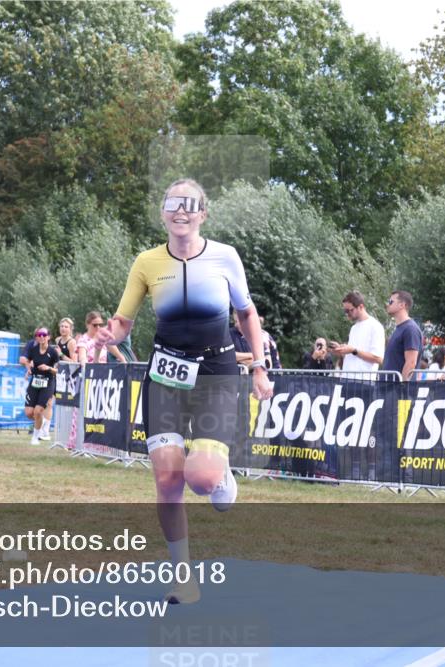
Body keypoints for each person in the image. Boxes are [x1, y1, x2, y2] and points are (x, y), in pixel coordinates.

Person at [96, 178, 274, 605]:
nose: (180, 210)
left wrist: (259, 366)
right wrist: (110, 335)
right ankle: (184, 578)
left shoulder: (225, 256)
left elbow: (247, 314)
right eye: (172, 203)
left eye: (189, 205)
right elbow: (124, 322)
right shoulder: (146, 262)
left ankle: (219, 473)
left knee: (201, 479)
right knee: (167, 479)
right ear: (162, 213)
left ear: (203, 214)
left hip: (215, 372)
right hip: (165, 374)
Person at [328, 290, 385, 377]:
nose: (347, 314)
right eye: (345, 311)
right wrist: (341, 351)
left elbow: (378, 358)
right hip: (346, 378)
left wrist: (353, 350)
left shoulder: (375, 326)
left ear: (361, 307)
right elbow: (353, 355)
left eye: (349, 310)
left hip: (364, 381)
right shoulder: (353, 328)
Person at [24, 327, 59, 445]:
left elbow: (58, 370)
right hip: (35, 382)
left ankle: (35, 438)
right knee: (29, 413)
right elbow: (27, 361)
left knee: (38, 411)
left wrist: (48, 368)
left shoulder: (53, 352)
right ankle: (41, 421)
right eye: (39, 335)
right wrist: (28, 369)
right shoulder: (33, 350)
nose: (42, 337)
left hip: (48, 383)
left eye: (44, 335)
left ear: (49, 337)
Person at [382, 290, 423, 381]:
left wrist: (403, 386)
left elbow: (411, 363)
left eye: (391, 302)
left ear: (402, 305)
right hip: (388, 386)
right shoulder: (400, 328)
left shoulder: (410, 329)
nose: (387, 304)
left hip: (397, 388)